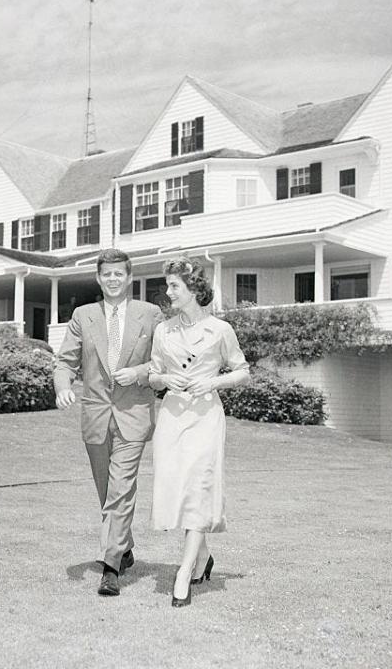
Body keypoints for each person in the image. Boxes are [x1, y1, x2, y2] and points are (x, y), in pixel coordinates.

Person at [54, 248, 163, 597]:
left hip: (134, 415)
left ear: (129, 278)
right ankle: (124, 546)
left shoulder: (150, 314)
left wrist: (141, 372)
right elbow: (65, 361)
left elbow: (164, 361)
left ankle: (111, 565)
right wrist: (62, 388)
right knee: (106, 492)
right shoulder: (82, 315)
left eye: (119, 274)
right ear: (99, 279)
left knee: (121, 488)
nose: (113, 279)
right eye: (107, 274)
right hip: (96, 414)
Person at [148, 257, 250, 607]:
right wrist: (164, 379)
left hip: (206, 416)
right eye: (168, 285)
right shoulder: (164, 330)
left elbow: (242, 372)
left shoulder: (220, 330)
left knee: (200, 487)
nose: (168, 291)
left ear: (193, 288)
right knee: (178, 489)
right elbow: (153, 374)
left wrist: (212, 381)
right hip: (173, 416)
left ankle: (185, 571)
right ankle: (204, 557)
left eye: (175, 285)